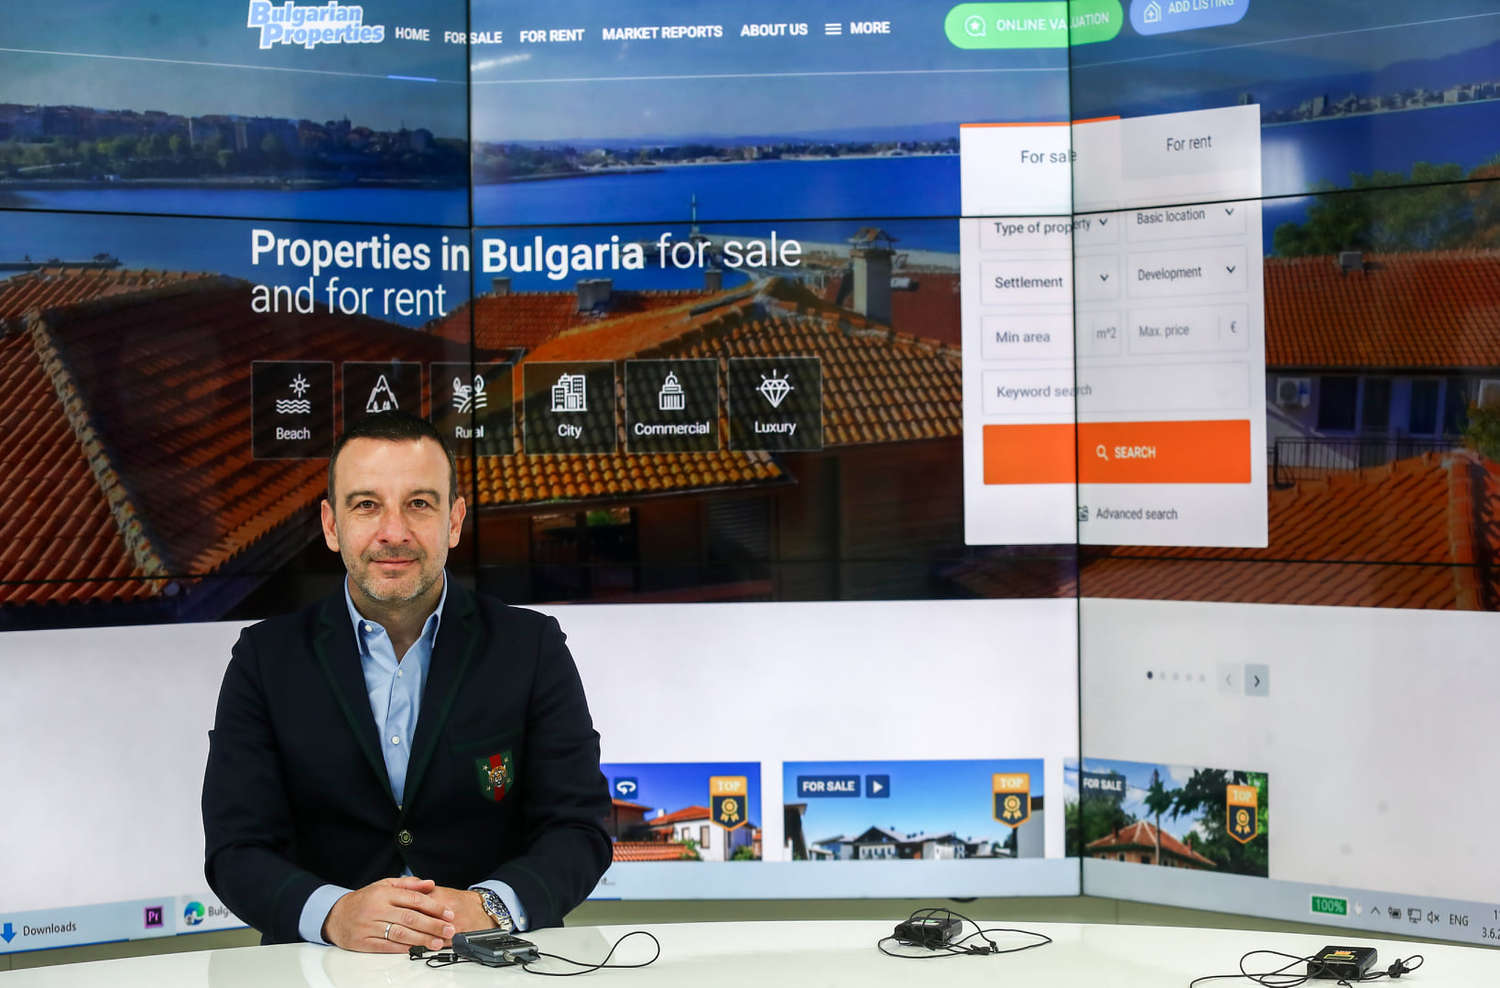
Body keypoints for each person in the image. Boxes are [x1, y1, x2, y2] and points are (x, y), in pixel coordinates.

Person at [202, 411, 611, 951]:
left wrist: (489, 906)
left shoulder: (532, 647)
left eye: (419, 503)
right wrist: (334, 914)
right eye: (366, 505)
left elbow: (580, 828)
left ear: (454, 520)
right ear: (331, 525)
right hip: (319, 966)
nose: (393, 532)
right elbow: (236, 848)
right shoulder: (264, 658)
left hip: (492, 964)